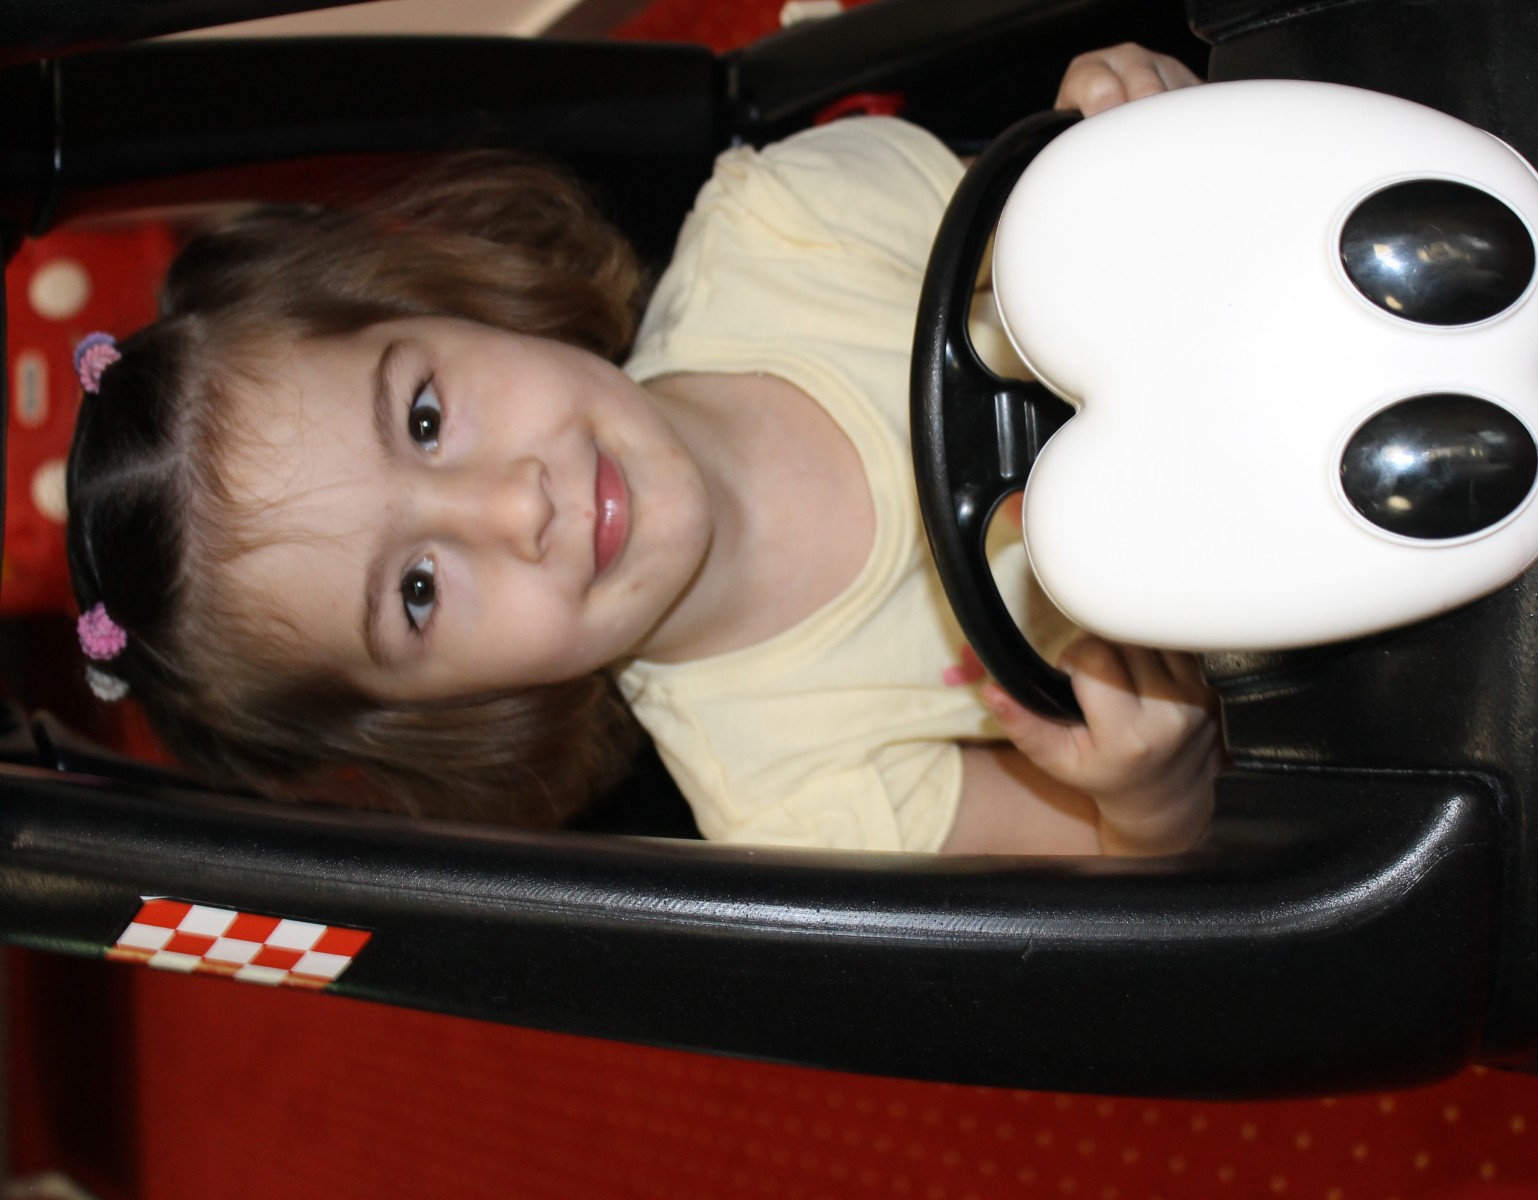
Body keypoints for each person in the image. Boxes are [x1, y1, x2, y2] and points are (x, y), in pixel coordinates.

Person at [63, 42, 1220, 855]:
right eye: (417, 591)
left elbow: (1106, 231)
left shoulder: (789, 225)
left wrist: (1134, 140)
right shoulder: (787, 804)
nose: (516, 509)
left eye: (424, 419)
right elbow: (1122, 862)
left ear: (445, 303)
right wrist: (1151, 797)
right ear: (448, 711)